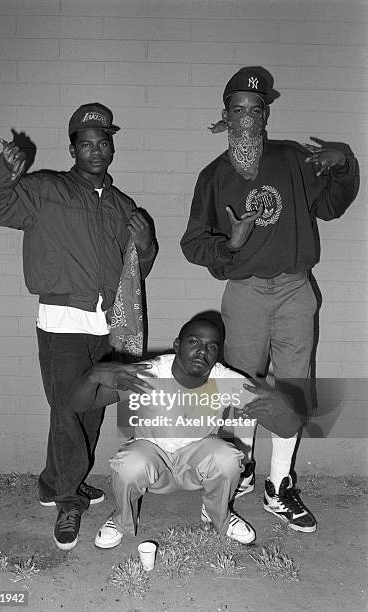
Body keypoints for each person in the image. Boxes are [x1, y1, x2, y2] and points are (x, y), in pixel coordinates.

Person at [0, 102, 158, 551]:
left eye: (103, 141)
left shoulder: (122, 205)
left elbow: (133, 271)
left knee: (92, 407)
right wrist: (4, 169)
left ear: (112, 147)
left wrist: (147, 246)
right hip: (62, 320)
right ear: (72, 148)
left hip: (107, 322)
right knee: (67, 409)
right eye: (86, 143)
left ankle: (56, 481)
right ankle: (67, 498)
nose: (96, 150)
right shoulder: (45, 189)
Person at [180, 67, 360, 533]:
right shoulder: (213, 177)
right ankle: (237, 472)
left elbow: (332, 205)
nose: (246, 119)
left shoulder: (293, 159)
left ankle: (279, 485)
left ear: (265, 115)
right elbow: (194, 243)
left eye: (255, 110)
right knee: (240, 387)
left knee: (293, 389)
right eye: (237, 110)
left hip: (295, 286)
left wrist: (343, 166)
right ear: (225, 116)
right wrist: (232, 246)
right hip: (245, 292)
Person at [81, 317, 303, 550]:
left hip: (195, 466)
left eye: (212, 347)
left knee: (227, 457)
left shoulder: (225, 380)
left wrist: (285, 405)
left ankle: (218, 515)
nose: (202, 352)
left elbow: (287, 429)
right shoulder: (150, 373)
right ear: (177, 345)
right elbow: (78, 404)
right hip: (153, 463)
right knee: (129, 462)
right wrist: (93, 375)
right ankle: (121, 519)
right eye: (194, 342)